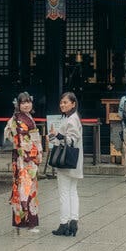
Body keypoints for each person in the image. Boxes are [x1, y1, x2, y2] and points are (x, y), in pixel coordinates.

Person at [4, 92, 42, 233]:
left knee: (28, 189)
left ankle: (23, 221)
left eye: (28, 102)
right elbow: (20, 139)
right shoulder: (18, 119)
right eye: (23, 103)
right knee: (25, 189)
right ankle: (27, 222)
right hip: (24, 159)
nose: (26, 105)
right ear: (18, 105)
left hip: (27, 157)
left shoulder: (27, 117)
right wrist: (33, 153)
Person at [48, 91, 83, 237]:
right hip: (75, 161)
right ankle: (73, 221)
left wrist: (57, 135)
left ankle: (64, 223)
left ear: (73, 104)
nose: (62, 105)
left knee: (64, 193)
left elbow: (72, 140)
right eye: (61, 102)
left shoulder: (70, 120)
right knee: (73, 192)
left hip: (66, 161)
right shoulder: (74, 118)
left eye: (66, 102)